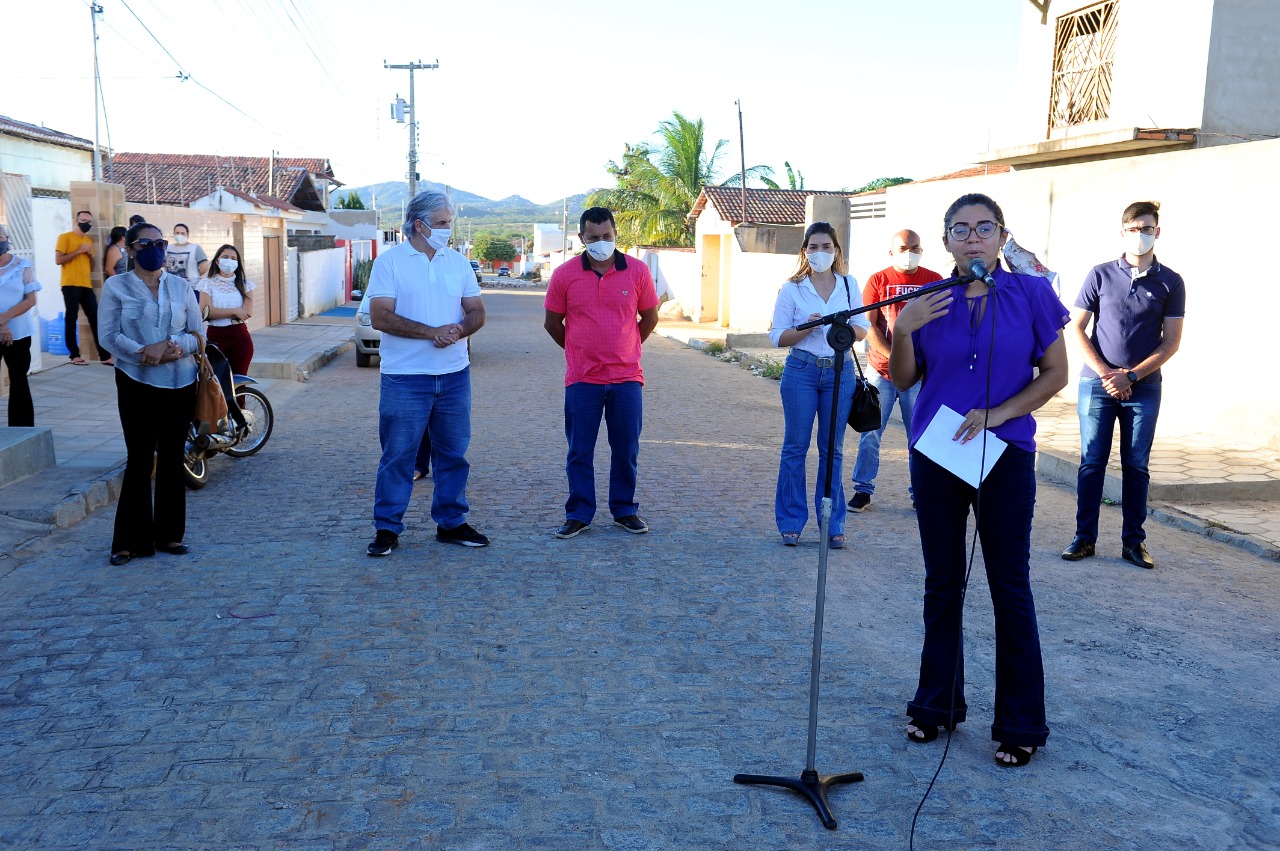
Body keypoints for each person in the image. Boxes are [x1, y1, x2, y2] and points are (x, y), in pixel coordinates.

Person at [889, 193, 1069, 767]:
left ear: (1000, 237)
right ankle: (935, 706)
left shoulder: (1032, 294)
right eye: (960, 229)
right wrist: (901, 331)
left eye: (983, 228)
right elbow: (904, 379)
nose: (972, 238)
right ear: (945, 241)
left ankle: (1020, 723)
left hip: (1005, 453)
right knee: (943, 583)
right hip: (937, 454)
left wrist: (1001, 412)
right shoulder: (926, 299)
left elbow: (1057, 373)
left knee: (1008, 586)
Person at [1062, 201, 1185, 570]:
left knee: (1136, 466)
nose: (1139, 235)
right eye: (1132, 229)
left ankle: (1134, 543)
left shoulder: (1171, 281)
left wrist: (1130, 376)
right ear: (1122, 232)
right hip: (1097, 385)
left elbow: (1171, 342)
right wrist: (1106, 373)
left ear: (1157, 232)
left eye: (1146, 228)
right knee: (1091, 463)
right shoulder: (1100, 275)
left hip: (1144, 387)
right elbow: (1075, 328)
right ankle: (1084, 539)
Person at [365, 190, 488, 556]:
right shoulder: (390, 263)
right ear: (419, 224)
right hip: (405, 377)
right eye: (443, 223)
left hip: (454, 376)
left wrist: (458, 331)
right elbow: (380, 316)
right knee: (398, 456)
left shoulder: (458, 263)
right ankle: (387, 529)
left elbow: (476, 311)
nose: (449, 229)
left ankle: (451, 523)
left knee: (453, 454)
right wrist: (431, 332)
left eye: (449, 222)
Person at [543, 207, 659, 540]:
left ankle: (625, 510)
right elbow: (552, 323)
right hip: (582, 380)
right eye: (593, 237)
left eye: (606, 236)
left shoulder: (636, 272)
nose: (601, 242)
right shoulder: (565, 275)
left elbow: (649, 318)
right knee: (580, 450)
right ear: (581, 238)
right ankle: (579, 513)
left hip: (626, 380)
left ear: (615, 234)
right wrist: (577, 351)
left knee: (626, 449)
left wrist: (628, 346)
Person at [97, 222, 203, 566]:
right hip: (136, 382)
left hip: (181, 382)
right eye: (147, 243)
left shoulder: (181, 286)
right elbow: (108, 335)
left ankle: (170, 535)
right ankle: (129, 541)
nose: (155, 248)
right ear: (129, 248)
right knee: (140, 460)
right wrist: (145, 351)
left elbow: (197, 333)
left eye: (161, 243)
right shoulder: (116, 287)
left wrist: (173, 346)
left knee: (173, 458)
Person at [768, 221, 869, 547]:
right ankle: (791, 521)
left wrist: (841, 328)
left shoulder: (849, 285)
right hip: (801, 371)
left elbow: (862, 328)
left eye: (826, 246)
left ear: (836, 250)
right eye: (814, 247)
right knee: (795, 447)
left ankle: (832, 522)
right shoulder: (792, 288)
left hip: (839, 374)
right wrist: (808, 328)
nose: (820, 252)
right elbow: (778, 336)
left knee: (833, 450)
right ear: (805, 251)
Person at [848, 229, 943, 512]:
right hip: (881, 372)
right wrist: (894, 359)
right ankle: (863, 490)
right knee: (871, 433)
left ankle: (921, 492)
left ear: (922, 249)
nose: (909, 252)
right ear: (892, 252)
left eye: (914, 247)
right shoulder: (878, 280)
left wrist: (918, 364)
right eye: (903, 247)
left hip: (918, 376)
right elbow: (869, 326)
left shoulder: (934, 280)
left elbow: (939, 325)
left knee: (920, 435)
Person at [54, 210, 113, 365]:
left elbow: (91, 266)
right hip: (70, 284)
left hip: (85, 284)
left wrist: (88, 254)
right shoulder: (65, 237)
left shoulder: (87, 240)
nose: (86, 223)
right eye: (84, 220)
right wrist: (78, 251)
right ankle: (74, 355)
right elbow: (59, 260)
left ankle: (105, 356)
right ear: (76, 221)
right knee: (71, 319)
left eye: (89, 222)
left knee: (95, 318)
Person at [0, 223, 42, 426]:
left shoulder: (23, 266)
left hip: (18, 333)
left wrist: (4, 318)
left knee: (18, 380)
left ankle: (22, 429)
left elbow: (30, 299)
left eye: (0, 237)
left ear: (7, 239)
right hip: (2, 329)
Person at [195, 244, 255, 377]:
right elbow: (206, 312)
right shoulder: (207, 283)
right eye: (225, 257)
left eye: (234, 258)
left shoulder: (245, 284)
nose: (230, 261)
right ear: (217, 261)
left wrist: (220, 312)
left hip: (240, 336)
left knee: (240, 380)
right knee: (215, 381)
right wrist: (235, 311)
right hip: (215, 336)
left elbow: (247, 312)